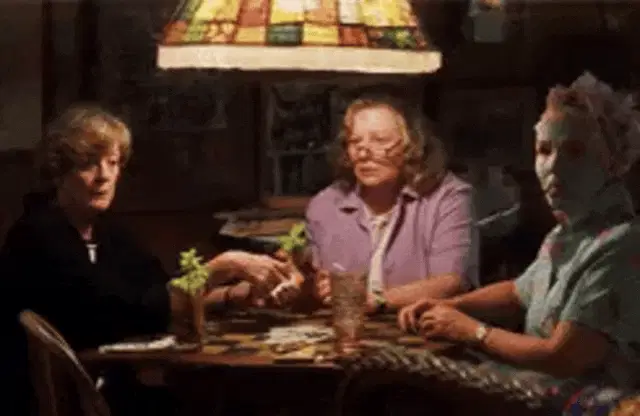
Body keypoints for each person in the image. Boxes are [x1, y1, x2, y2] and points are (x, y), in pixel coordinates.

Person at [0, 104, 293, 415]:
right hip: (58, 403)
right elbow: (122, 310)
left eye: (113, 163)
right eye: (88, 164)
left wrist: (234, 295)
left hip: (108, 389)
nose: (104, 176)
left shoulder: (110, 232)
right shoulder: (39, 234)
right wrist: (222, 267)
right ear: (59, 171)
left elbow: (159, 293)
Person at [398, 72, 640, 388]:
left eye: (575, 151)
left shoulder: (624, 244)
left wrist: (472, 331)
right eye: (544, 150)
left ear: (615, 162)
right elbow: (518, 292)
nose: (553, 166)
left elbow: (562, 356)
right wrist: (450, 306)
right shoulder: (567, 234)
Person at [306, 94, 479, 313]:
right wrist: (309, 286)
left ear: (412, 146)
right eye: (355, 141)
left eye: (380, 140)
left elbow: (452, 282)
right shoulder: (326, 205)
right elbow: (316, 283)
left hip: (423, 327)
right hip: (347, 328)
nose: (363, 152)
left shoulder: (447, 196)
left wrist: (377, 300)